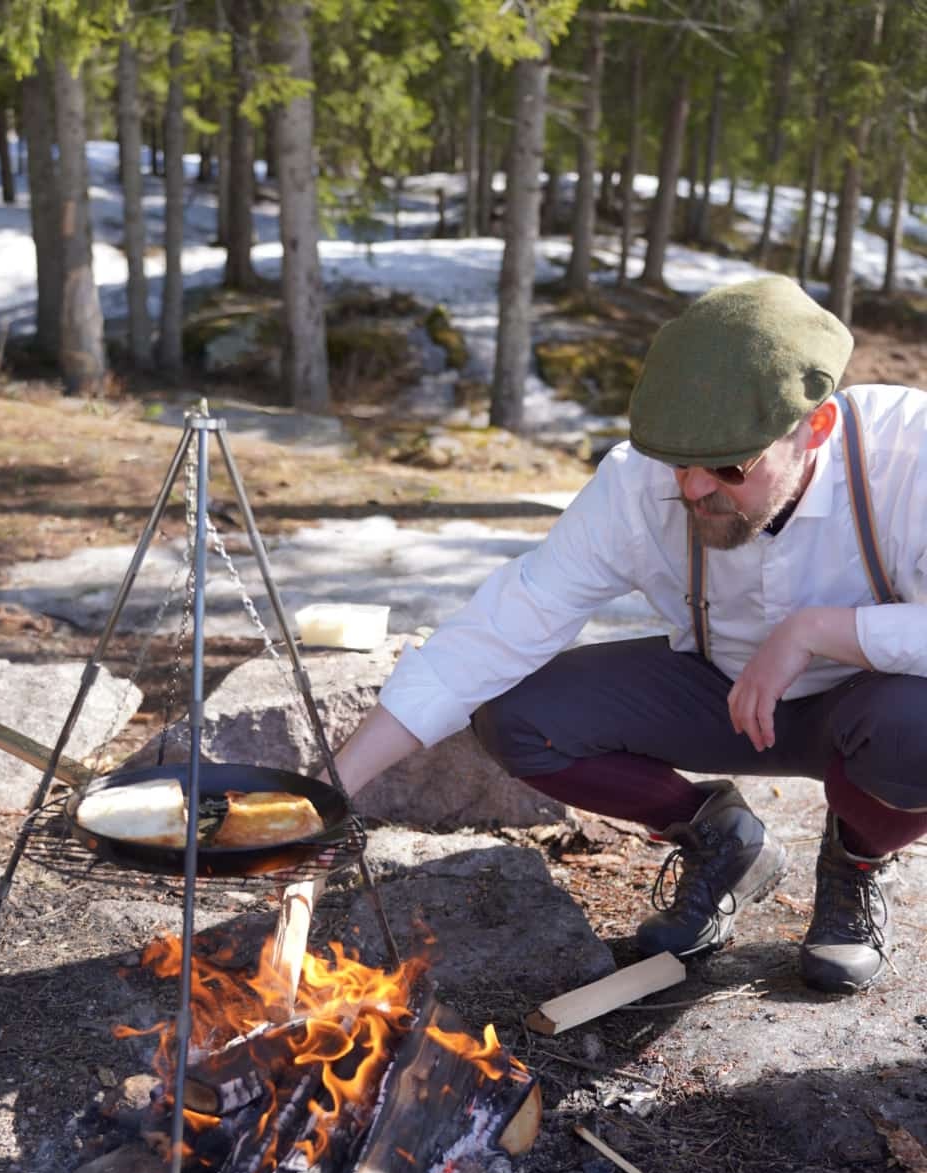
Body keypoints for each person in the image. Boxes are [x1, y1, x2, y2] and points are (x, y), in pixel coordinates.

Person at [330, 276, 927, 992]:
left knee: (912, 729)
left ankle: (856, 859)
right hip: (721, 694)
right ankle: (722, 840)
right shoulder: (636, 484)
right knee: (519, 717)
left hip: (869, 706)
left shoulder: (908, 454)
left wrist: (817, 631)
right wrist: (333, 787)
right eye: (680, 463)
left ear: (817, 427)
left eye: (729, 466)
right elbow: (506, 623)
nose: (694, 490)